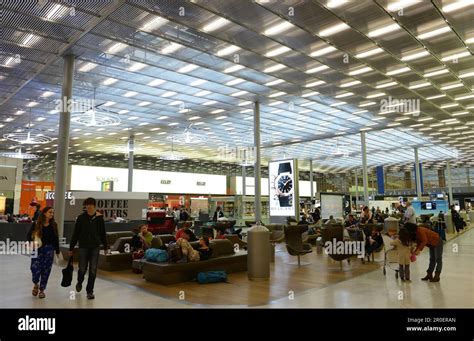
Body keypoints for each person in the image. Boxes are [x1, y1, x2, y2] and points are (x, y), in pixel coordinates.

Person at [69, 197, 108, 299]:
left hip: (95, 246)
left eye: (91, 204)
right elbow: (75, 233)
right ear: (85, 206)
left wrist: (105, 246)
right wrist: (71, 247)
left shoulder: (99, 218)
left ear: (94, 206)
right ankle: (79, 282)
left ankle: (89, 291)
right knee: (82, 269)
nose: (89, 206)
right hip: (83, 246)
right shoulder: (81, 218)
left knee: (93, 270)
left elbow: (102, 233)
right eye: (87, 205)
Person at [27, 207, 60, 299]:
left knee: (46, 270)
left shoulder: (54, 225)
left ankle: (42, 290)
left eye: (52, 213)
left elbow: (56, 239)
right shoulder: (36, 224)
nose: (51, 214)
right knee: (34, 268)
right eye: (50, 212)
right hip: (37, 249)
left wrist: (57, 251)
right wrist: (32, 242)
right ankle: (36, 283)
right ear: (44, 213)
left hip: (49, 250)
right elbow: (28, 235)